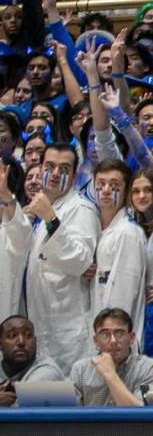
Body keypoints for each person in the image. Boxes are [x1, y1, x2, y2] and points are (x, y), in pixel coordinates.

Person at [0, 143, 99, 374]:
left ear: (74, 176)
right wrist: (6, 196)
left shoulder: (81, 209)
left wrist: (51, 218)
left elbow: (81, 260)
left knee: (67, 401)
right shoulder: (42, 207)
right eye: (50, 166)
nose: (55, 174)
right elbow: (19, 241)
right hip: (40, 323)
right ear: (40, 166)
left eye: (64, 169)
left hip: (68, 331)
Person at [89, 158, 146, 342]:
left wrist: (111, 340)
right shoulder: (98, 229)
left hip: (116, 342)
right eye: (101, 184)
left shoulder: (127, 232)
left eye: (114, 185)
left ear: (126, 191)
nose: (105, 190)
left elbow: (124, 295)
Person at [70, 307, 153, 406]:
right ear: (96, 341)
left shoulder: (148, 369)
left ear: (131, 338)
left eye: (119, 333)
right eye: (105, 335)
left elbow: (142, 416)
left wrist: (110, 375)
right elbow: (69, 416)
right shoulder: (80, 370)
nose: (113, 341)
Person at [0, 315, 65, 405]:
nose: (21, 342)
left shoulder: (47, 373)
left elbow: (20, 415)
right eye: (12, 335)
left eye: (28, 335)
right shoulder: (4, 369)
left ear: (35, 342)